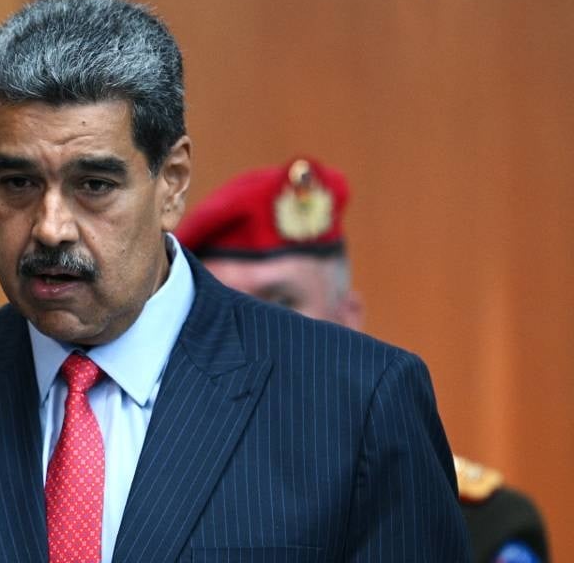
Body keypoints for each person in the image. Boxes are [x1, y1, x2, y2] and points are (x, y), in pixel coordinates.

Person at [0, 0, 470, 562]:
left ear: (172, 182)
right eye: (17, 182)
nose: (49, 226)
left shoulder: (354, 404)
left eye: (94, 184)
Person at [176, 156, 549, 563]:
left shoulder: (480, 526)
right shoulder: (143, 501)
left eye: (282, 304)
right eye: (227, 311)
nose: (253, 334)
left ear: (347, 321)